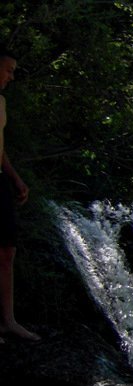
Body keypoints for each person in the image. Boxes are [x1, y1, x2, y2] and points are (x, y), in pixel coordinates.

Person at [0, 48, 39, 343]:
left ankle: (8, 320)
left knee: (7, 251)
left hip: (0, 181)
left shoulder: (0, 103)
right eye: (8, 70)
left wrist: (16, 179)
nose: (12, 77)